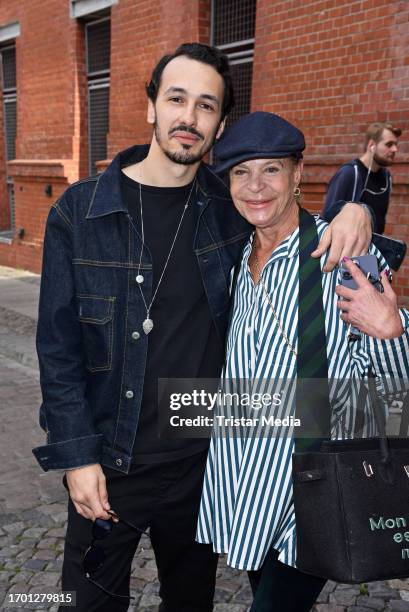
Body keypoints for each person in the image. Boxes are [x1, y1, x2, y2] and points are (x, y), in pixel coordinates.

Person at [32, 43, 372, 611]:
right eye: (177, 99)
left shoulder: (230, 206)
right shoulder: (80, 211)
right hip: (109, 460)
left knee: (190, 604)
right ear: (152, 108)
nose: (189, 117)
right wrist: (77, 458)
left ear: (218, 125)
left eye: (206, 106)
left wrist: (353, 210)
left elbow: (291, 221)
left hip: (203, 464)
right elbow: (57, 347)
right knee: (87, 603)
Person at [196, 111, 409, 612]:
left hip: (309, 490)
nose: (255, 187)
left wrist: (392, 330)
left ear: (297, 173)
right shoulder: (234, 260)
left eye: (270, 169)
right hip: (242, 480)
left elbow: (394, 384)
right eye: (241, 173)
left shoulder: (341, 255)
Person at [323, 121, 401, 234]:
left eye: (396, 144)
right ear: (371, 145)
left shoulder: (386, 178)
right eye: (389, 144)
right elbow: (327, 220)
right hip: (345, 249)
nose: (395, 149)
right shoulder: (349, 173)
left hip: (372, 250)